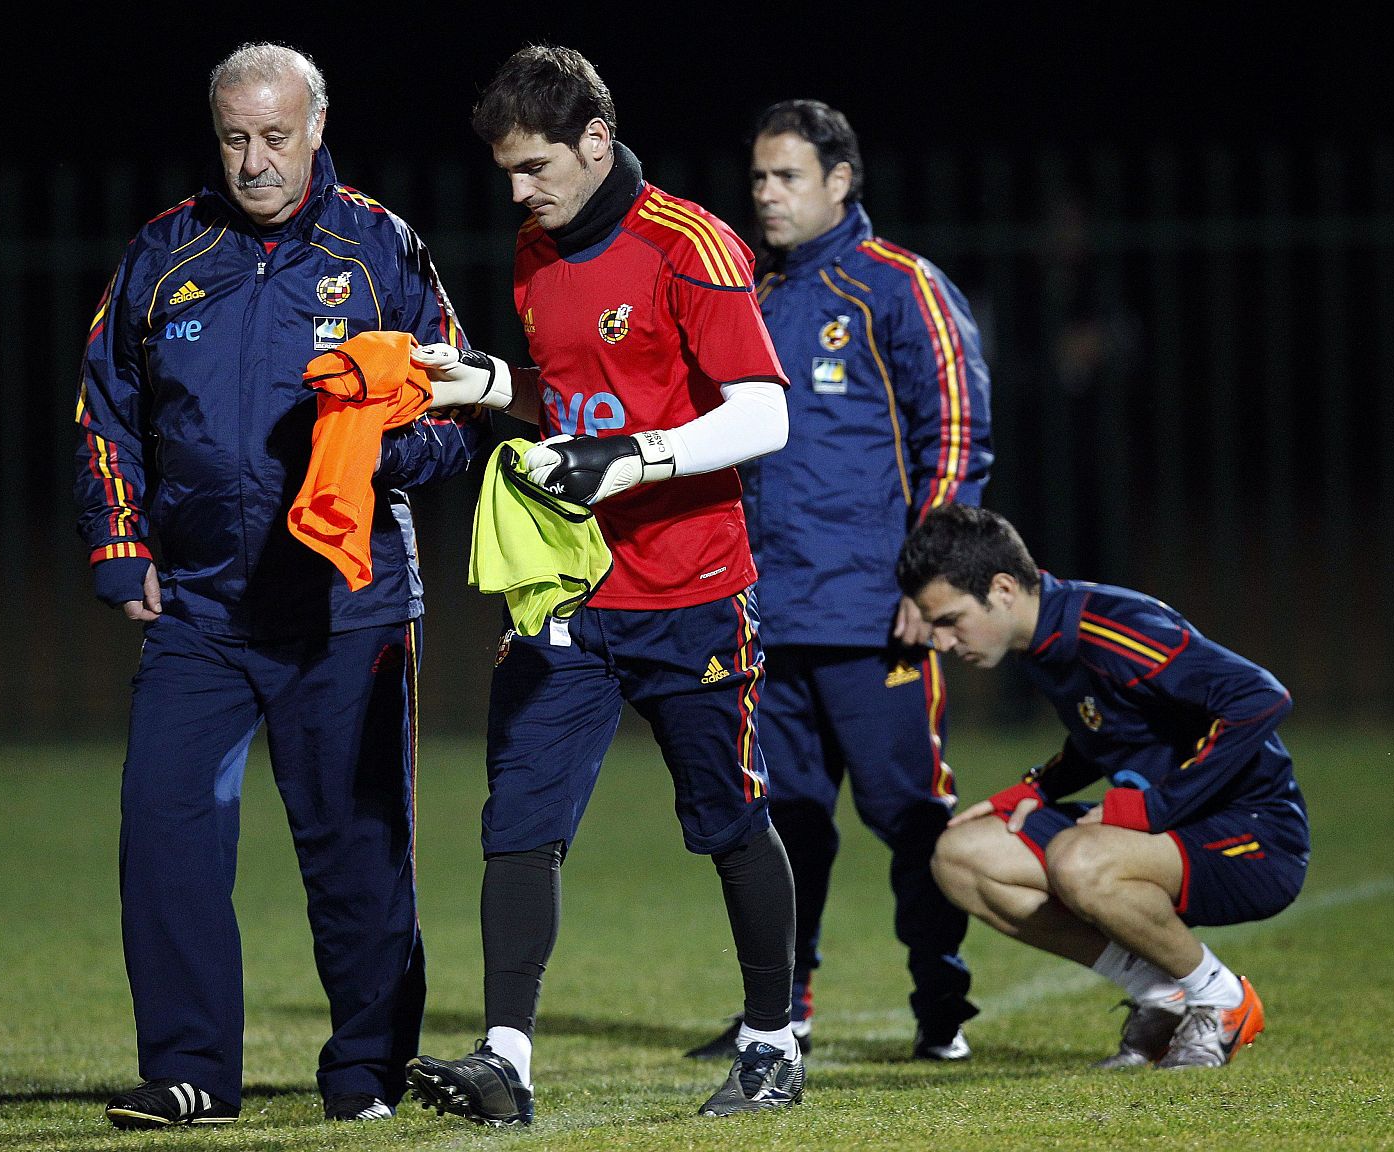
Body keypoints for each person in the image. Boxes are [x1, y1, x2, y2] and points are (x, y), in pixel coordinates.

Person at [73, 41, 485, 1128]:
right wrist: (119, 546)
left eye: (276, 136)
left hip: (347, 613)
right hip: (200, 614)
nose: (255, 160)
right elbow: (105, 416)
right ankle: (188, 1071)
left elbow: (459, 410)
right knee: (165, 830)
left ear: (316, 129)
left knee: (357, 852)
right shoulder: (162, 252)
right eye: (235, 137)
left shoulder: (382, 247)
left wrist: (388, 452)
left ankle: (363, 1077)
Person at [401, 44, 803, 1124]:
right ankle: (505, 1064)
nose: (519, 192)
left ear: (594, 140)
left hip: (692, 584)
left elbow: (763, 411)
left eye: (535, 166)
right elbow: (573, 396)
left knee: (727, 817)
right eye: (507, 173)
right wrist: (488, 382)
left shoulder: (690, 242)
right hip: (567, 591)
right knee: (518, 821)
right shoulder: (535, 249)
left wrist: (634, 461)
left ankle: (771, 1042)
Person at [686, 99, 994, 1064]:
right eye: (759, 178)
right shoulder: (754, 294)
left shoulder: (900, 288)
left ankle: (940, 1008)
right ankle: (782, 1014)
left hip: (878, 618)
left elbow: (956, 434)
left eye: (786, 177)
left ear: (839, 181)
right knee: (782, 824)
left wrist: (932, 580)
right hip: (771, 616)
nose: (765, 195)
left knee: (911, 817)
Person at [894, 504, 1309, 1069]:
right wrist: (1039, 788)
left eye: (949, 619)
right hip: (1167, 827)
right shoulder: (1041, 640)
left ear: (1002, 588)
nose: (940, 642)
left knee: (1078, 860)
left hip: (1254, 836)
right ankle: (1163, 996)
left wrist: (1156, 806)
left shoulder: (1111, 627)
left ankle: (1221, 999)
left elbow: (1259, 698)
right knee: (960, 856)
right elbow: (1109, 726)